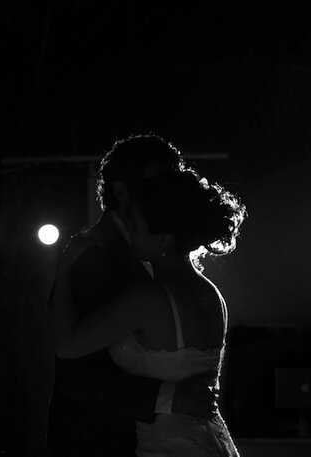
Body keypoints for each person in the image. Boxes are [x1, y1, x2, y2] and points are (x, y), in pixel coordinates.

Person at [52, 168, 246, 456]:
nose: (128, 231)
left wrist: (65, 267)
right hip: (209, 443)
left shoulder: (147, 298)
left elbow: (66, 346)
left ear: (164, 239)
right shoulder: (211, 293)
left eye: (135, 224)